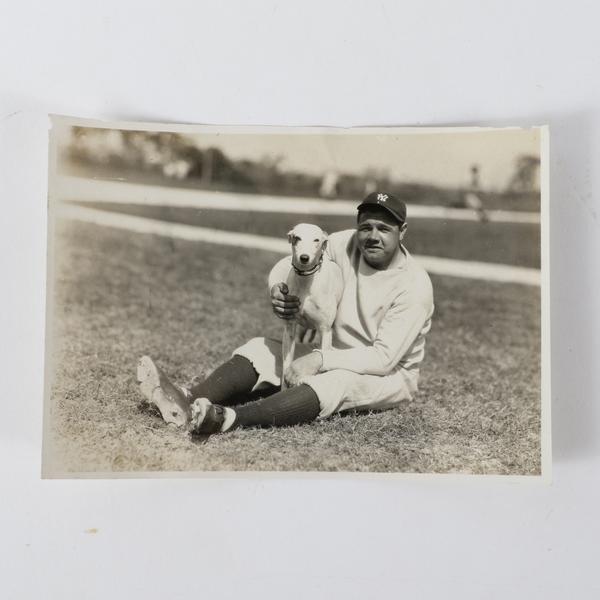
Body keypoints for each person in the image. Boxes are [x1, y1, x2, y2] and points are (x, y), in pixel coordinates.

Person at [137, 191, 434, 435]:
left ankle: (228, 418)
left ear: (402, 231)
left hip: (388, 375)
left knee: (336, 381)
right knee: (261, 349)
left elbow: (383, 358)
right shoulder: (343, 243)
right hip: (329, 349)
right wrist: (276, 289)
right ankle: (185, 399)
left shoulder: (414, 286)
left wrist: (319, 359)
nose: (372, 236)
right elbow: (291, 263)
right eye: (366, 226)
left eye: (384, 229)